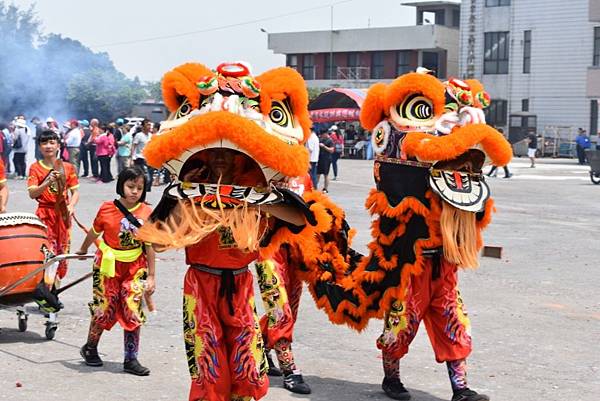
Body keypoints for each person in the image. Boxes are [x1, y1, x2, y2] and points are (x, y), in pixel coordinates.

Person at [76, 166, 155, 376]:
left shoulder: (147, 212)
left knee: (132, 308)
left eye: (139, 187)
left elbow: (149, 246)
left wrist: (153, 277)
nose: (134, 191)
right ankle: (90, 347)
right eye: (130, 186)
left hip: (135, 267)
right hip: (108, 266)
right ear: (121, 185)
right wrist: (83, 249)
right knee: (105, 306)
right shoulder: (106, 208)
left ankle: (131, 359)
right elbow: (95, 231)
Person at [256, 173, 313, 395]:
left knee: (291, 308)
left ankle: (260, 346)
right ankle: (289, 369)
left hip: (295, 250)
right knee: (280, 309)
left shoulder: (304, 176)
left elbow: (309, 210)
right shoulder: (260, 171)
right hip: (268, 249)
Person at [27, 130, 79, 282]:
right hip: (45, 214)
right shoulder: (35, 168)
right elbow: (32, 194)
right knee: (47, 252)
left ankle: (55, 288)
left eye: (52, 142)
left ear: (58, 146)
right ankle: (45, 288)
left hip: (63, 215)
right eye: (44, 143)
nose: (48, 146)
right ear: (39, 147)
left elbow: (75, 192)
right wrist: (47, 182)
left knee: (62, 252)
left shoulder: (68, 167)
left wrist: (72, 205)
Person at [131, 120, 151, 191]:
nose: (149, 127)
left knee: (147, 179)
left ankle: (142, 193)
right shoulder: (139, 135)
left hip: (148, 159)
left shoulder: (150, 135)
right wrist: (132, 158)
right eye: (147, 125)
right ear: (143, 126)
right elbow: (133, 146)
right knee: (146, 178)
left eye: (150, 125)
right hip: (140, 158)